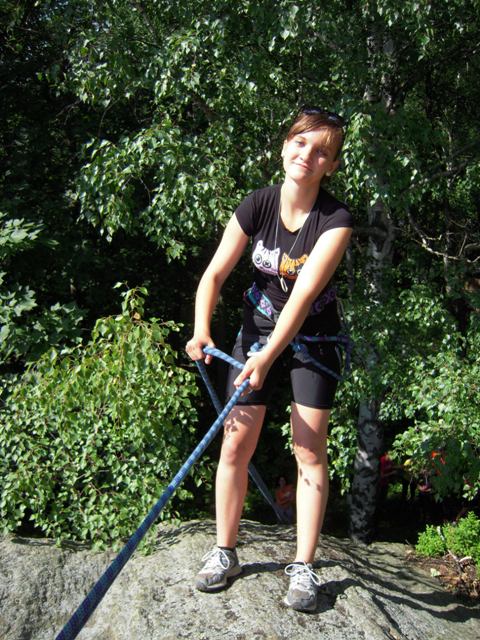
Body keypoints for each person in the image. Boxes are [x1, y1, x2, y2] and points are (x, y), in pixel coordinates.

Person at [186, 105, 353, 612]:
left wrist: (265, 359)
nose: (308, 155)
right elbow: (214, 274)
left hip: (313, 338)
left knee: (308, 449)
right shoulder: (257, 204)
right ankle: (225, 550)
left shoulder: (335, 221)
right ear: (284, 147)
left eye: (321, 151)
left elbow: (302, 298)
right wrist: (201, 329)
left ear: (331, 165)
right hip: (257, 327)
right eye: (300, 143)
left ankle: (302, 566)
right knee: (235, 443)